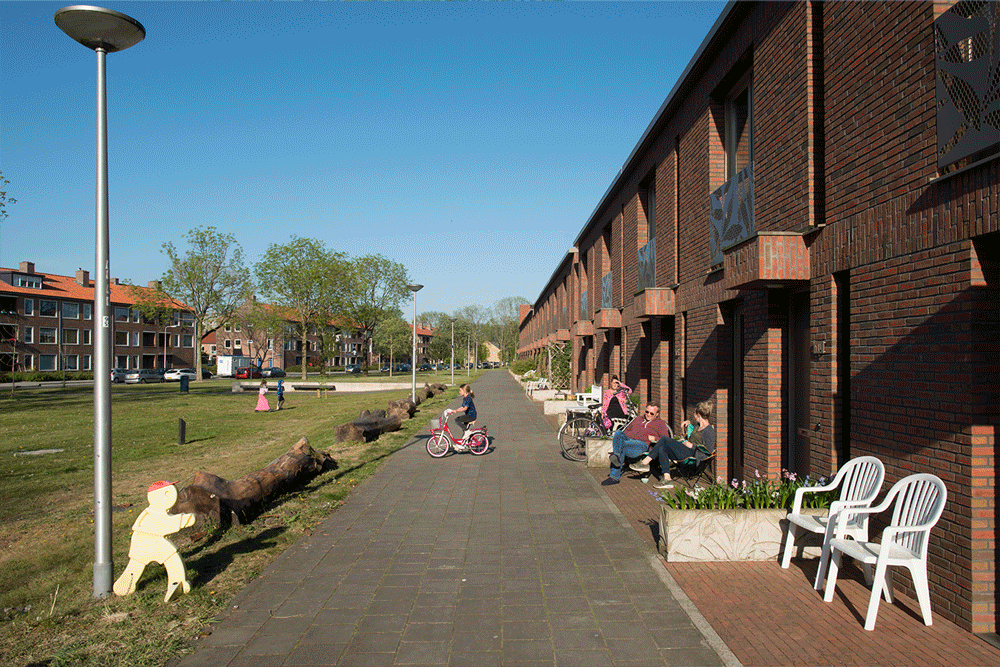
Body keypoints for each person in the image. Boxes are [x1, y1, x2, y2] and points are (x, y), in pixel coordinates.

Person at [632, 400, 716, 489]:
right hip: (686, 450)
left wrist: (692, 446)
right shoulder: (698, 426)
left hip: (694, 456)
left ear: (698, 414)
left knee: (664, 439)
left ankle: (645, 462)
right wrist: (688, 422)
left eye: (694, 413)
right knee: (662, 448)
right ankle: (667, 479)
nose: (693, 415)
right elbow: (694, 424)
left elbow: (708, 451)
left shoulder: (708, 430)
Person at [602, 402, 671, 485]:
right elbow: (626, 431)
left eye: (651, 413)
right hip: (628, 442)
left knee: (621, 447)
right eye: (647, 412)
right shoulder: (637, 419)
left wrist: (655, 438)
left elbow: (666, 440)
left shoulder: (660, 423)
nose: (648, 414)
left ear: (657, 414)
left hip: (642, 445)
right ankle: (617, 457)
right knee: (618, 433)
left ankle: (614, 476)